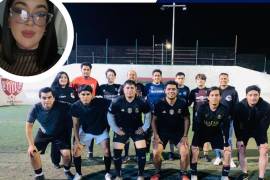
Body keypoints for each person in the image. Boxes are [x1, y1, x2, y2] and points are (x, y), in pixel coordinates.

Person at [0, 0, 60, 76]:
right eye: (20, 11)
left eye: (40, 14)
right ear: (8, 20)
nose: (30, 23)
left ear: (46, 25)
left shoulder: (59, 65)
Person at [25, 87, 73, 180]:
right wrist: (31, 145)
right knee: (32, 153)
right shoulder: (35, 108)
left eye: (49, 97)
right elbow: (28, 126)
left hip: (60, 133)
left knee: (67, 154)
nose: (47, 100)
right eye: (44, 98)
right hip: (44, 133)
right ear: (40, 98)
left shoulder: (63, 105)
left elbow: (77, 107)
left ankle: (67, 171)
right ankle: (39, 175)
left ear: (53, 98)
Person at [108, 80, 151, 180]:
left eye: (132, 88)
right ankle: (118, 175)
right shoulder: (117, 101)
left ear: (135, 89)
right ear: (123, 89)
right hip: (122, 129)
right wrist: (116, 129)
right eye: (127, 88)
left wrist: (144, 128)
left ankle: (140, 175)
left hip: (137, 129)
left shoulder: (141, 101)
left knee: (141, 151)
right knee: (117, 152)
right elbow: (110, 115)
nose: (130, 90)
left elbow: (148, 115)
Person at [151, 81, 190, 180]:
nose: (171, 91)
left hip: (178, 133)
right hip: (162, 133)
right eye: (169, 89)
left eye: (173, 89)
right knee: (156, 152)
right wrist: (156, 135)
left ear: (177, 90)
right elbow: (153, 120)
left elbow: (186, 119)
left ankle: (183, 173)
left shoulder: (182, 103)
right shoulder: (159, 103)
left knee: (185, 152)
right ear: (165, 90)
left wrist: (185, 136)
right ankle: (157, 172)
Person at [71, 85, 112, 180]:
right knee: (76, 151)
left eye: (88, 94)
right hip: (85, 131)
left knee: (106, 151)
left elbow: (116, 104)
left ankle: (108, 173)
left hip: (101, 130)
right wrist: (77, 141)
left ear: (92, 95)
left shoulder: (101, 102)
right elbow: (76, 124)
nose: (85, 97)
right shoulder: (75, 106)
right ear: (79, 95)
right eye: (83, 94)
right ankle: (78, 173)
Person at [190, 87, 231, 180]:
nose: (214, 97)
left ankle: (224, 175)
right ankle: (193, 173)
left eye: (217, 95)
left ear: (220, 97)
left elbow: (226, 127)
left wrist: (226, 143)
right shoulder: (202, 108)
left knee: (227, 151)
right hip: (202, 132)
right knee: (194, 149)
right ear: (208, 97)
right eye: (212, 95)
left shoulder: (224, 109)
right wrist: (197, 142)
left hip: (216, 133)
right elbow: (198, 125)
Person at [234, 85, 270, 180]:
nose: (253, 97)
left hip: (259, 130)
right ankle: (245, 174)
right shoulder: (239, 106)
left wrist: (263, 142)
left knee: (263, 151)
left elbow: (264, 125)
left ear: (259, 95)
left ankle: (261, 177)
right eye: (250, 95)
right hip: (244, 130)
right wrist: (239, 138)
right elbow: (236, 123)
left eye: (255, 95)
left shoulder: (266, 106)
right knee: (241, 150)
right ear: (246, 96)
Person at [70, 62, 99, 159]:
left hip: (91, 110)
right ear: (81, 70)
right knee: (76, 129)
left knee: (90, 130)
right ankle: (75, 149)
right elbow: (71, 93)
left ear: (90, 70)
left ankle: (90, 151)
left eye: (88, 69)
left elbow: (97, 95)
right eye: (84, 69)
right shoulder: (75, 81)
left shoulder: (95, 81)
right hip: (78, 110)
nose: (86, 71)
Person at [119, 69, 147, 163]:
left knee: (138, 137)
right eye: (130, 74)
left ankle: (137, 155)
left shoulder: (141, 86)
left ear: (136, 76)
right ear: (127, 76)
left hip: (137, 115)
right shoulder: (122, 87)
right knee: (125, 138)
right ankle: (126, 155)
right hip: (124, 116)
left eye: (134, 75)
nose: (132, 76)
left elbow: (144, 98)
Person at [50, 71, 76, 169]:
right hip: (56, 121)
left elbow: (75, 104)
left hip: (68, 120)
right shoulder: (53, 90)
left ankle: (68, 160)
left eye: (65, 77)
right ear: (58, 79)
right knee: (56, 141)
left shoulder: (71, 90)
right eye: (61, 77)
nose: (63, 79)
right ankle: (55, 161)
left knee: (67, 140)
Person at [213, 73, 238, 168]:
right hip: (215, 119)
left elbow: (236, 105)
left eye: (225, 78)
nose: (223, 80)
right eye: (222, 78)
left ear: (228, 79)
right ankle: (218, 157)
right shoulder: (215, 90)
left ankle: (229, 159)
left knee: (228, 139)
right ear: (219, 79)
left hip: (228, 120)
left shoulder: (232, 91)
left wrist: (234, 118)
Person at [188, 73, 211, 162]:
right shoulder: (193, 91)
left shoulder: (209, 90)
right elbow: (189, 103)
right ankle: (195, 153)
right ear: (196, 81)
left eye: (202, 79)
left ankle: (205, 154)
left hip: (208, 116)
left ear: (205, 81)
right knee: (196, 135)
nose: (200, 81)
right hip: (197, 117)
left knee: (207, 135)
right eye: (198, 79)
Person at [167, 71, 190, 160]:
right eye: (179, 78)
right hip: (171, 114)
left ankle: (181, 151)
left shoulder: (186, 89)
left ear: (184, 79)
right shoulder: (172, 88)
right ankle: (171, 152)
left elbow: (188, 101)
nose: (180, 80)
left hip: (181, 114)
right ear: (176, 79)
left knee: (181, 133)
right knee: (170, 134)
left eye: (182, 78)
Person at [145, 69, 165, 162]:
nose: (157, 77)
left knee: (159, 134)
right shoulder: (147, 86)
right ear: (152, 77)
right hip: (150, 114)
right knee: (148, 134)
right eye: (155, 75)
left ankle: (158, 153)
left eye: (158, 75)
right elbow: (144, 98)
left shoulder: (164, 86)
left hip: (161, 115)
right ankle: (147, 153)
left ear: (161, 77)